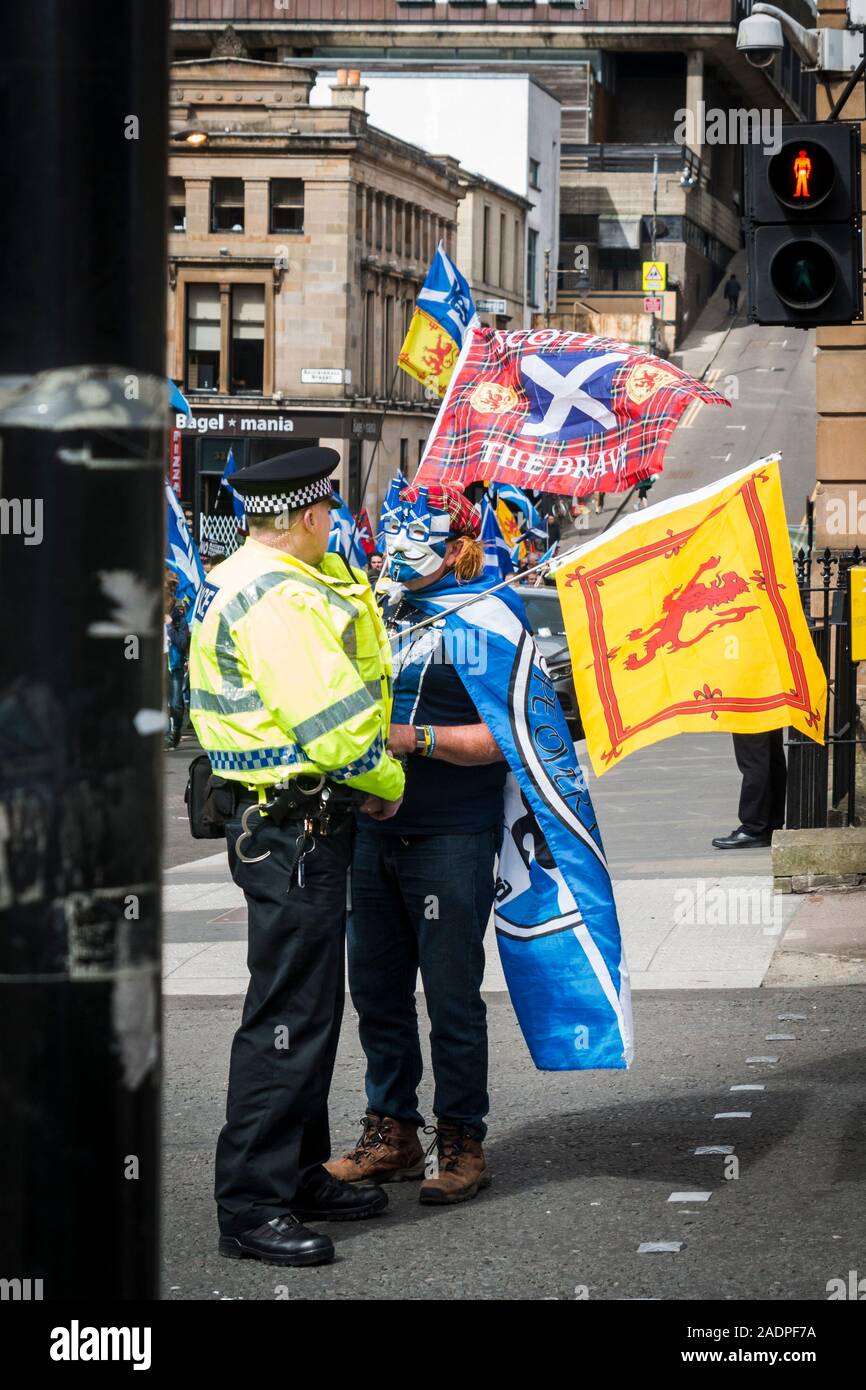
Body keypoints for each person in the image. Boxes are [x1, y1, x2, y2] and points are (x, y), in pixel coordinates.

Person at [188, 447, 406, 1268]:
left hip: (277, 823)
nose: (335, 529)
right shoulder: (280, 598)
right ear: (311, 516)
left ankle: (296, 1170)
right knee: (287, 1016)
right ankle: (251, 1204)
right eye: (329, 517)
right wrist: (388, 781)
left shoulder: (248, 574)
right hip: (294, 824)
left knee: (305, 1011)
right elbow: (339, 726)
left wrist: (341, 580)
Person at [328, 485, 507, 1205]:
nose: (396, 548)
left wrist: (417, 739)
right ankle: (392, 1132)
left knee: (452, 996)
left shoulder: (491, 615)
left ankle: (462, 1137)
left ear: (457, 543)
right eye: (391, 535)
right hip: (374, 829)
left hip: (452, 834)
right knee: (375, 990)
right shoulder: (381, 608)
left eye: (415, 535)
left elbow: (509, 738)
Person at [712, 730, 787, 849]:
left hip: (750, 712)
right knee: (772, 754)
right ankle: (769, 825)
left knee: (753, 756)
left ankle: (753, 828)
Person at [164, 571, 189, 750]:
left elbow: (182, 642)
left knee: (175, 704)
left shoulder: (178, 613)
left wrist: (169, 625)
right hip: (156, 667)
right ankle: (166, 736)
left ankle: (176, 731)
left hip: (174, 665)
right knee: (160, 703)